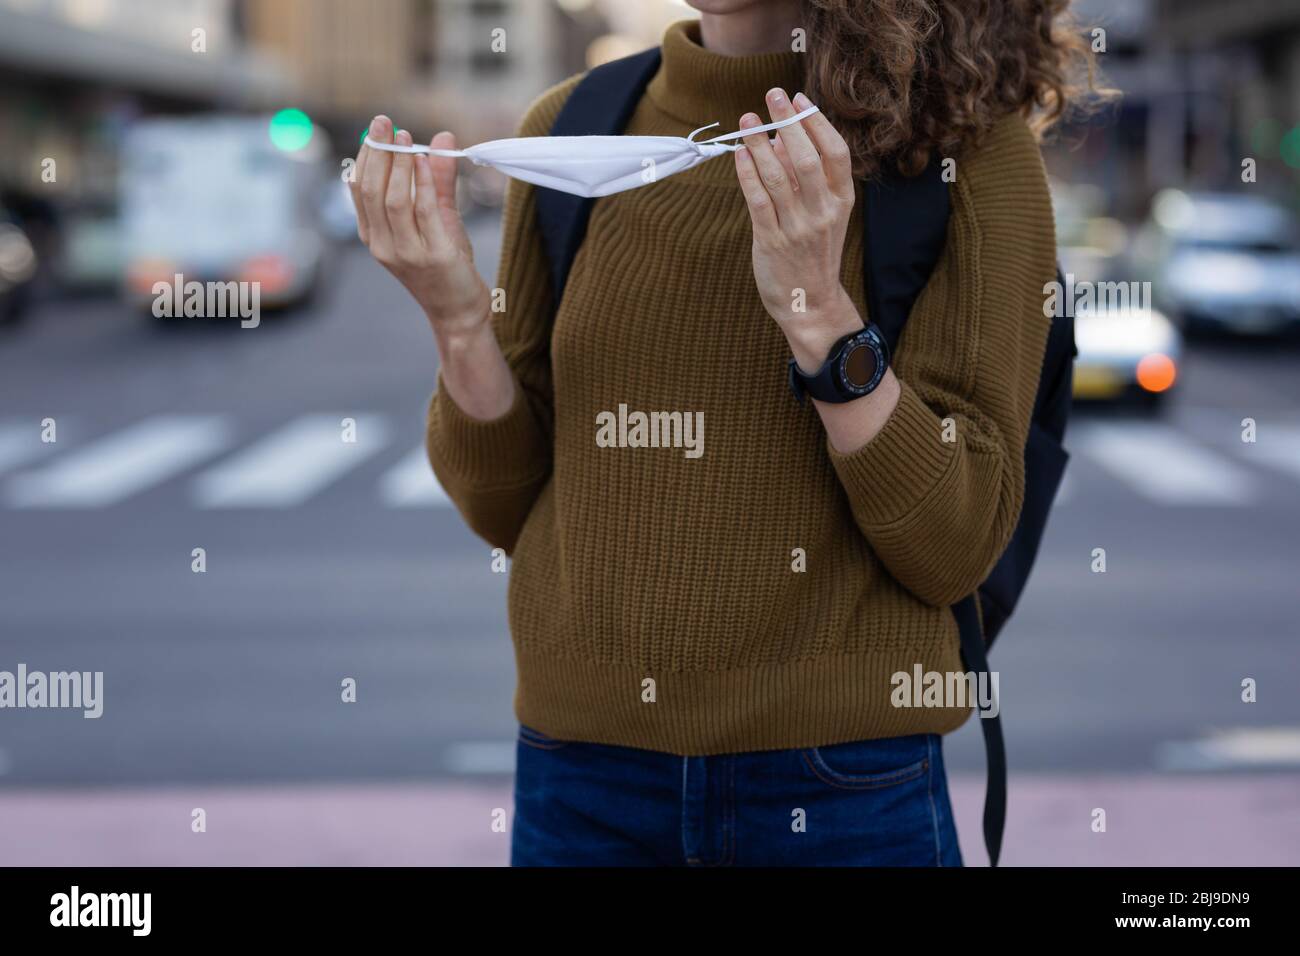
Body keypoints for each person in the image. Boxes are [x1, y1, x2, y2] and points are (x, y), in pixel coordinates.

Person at [351, 0, 1101, 866]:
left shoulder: (962, 146)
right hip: (581, 781)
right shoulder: (572, 130)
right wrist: (455, 318)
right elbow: (504, 502)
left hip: (841, 795)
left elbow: (955, 542)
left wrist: (818, 312)